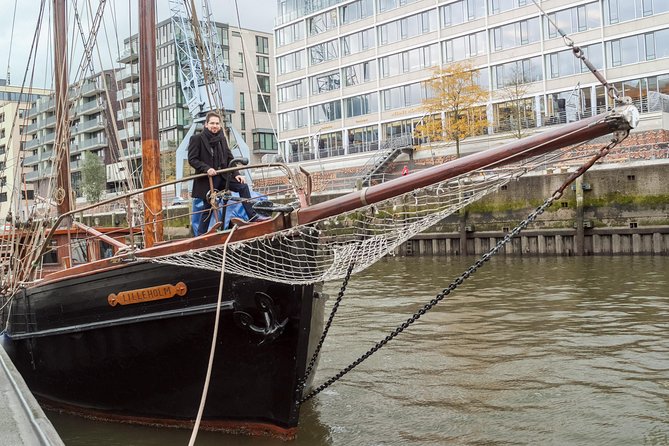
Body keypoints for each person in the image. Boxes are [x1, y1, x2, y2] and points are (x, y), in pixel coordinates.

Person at [188, 111, 260, 236]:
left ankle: (252, 217)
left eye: (217, 123)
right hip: (208, 179)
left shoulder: (222, 138)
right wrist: (206, 169)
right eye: (212, 123)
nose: (214, 126)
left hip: (223, 176)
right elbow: (192, 159)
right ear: (206, 124)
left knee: (242, 186)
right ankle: (200, 235)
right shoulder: (197, 139)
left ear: (220, 125)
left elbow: (228, 158)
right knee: (208, 207)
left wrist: (236, 173)